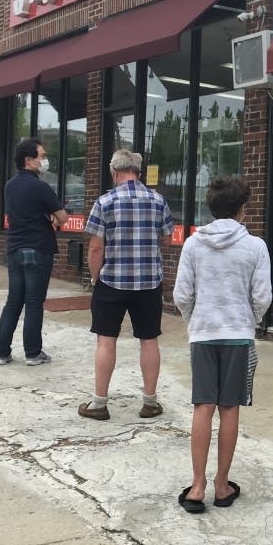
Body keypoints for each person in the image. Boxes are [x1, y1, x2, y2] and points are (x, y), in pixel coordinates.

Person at [172, 176, 271, 513]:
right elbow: (263, 297)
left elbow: (181, 295)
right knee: (230, 407)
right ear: (243, 209)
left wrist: (193, 320)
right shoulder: (255, 247)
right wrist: (250, 320)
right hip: (238, 335)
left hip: (203, 334)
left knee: (203, 406)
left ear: (211, 207)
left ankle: (197, 487)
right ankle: (222, 484)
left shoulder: (193, 244)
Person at [77, 149, 174, 421]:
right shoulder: (158, 201)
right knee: (149, 340)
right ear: (139, 172)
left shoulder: (105, 202)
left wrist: (96, 278)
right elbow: (166, 241)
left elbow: (96, 249)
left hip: (112, 281)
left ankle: (99, 403)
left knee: (106, 341)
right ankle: (150, 401)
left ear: (114, 172)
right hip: (148, 282)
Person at [0, 139, 68, 366]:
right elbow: (62, 217)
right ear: (28, 160)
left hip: (15, 248)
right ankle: (33, 353)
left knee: (14, 301)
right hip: (38, 248)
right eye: (41, 156)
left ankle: (1, 352)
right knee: (34, 302)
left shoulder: (10, 185)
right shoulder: (40, 187)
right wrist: (50, 217)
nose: (44, 160)